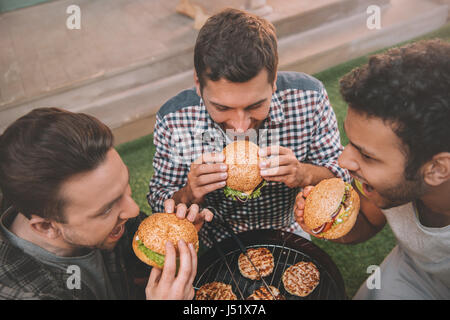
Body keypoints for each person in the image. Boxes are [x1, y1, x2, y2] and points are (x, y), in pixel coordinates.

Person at [148, 8, 350, 248]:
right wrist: (190, 193)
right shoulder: (174, 119)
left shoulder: (309, 98)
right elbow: (159, 199)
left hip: (287, 229)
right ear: (198, 84)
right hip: (214, 239)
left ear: (273, 80)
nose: (241, 126)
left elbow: (342, 175)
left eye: (255, 105)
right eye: (222, 108)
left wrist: (304, 174)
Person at [0, 107, 211, 300]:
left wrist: (169, 245)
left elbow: (135, 267)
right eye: (107, 208)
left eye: (125, 186)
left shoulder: (107, 216)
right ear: (47, 227)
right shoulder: (22, 293)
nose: (133, 210)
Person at [294, 39, 450, 299]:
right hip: (413, 268)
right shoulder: (389, 187)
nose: (343, 161)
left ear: (436, 169)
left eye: (366, 155)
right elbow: (365, 220)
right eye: (351, 144)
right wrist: (328, 224)